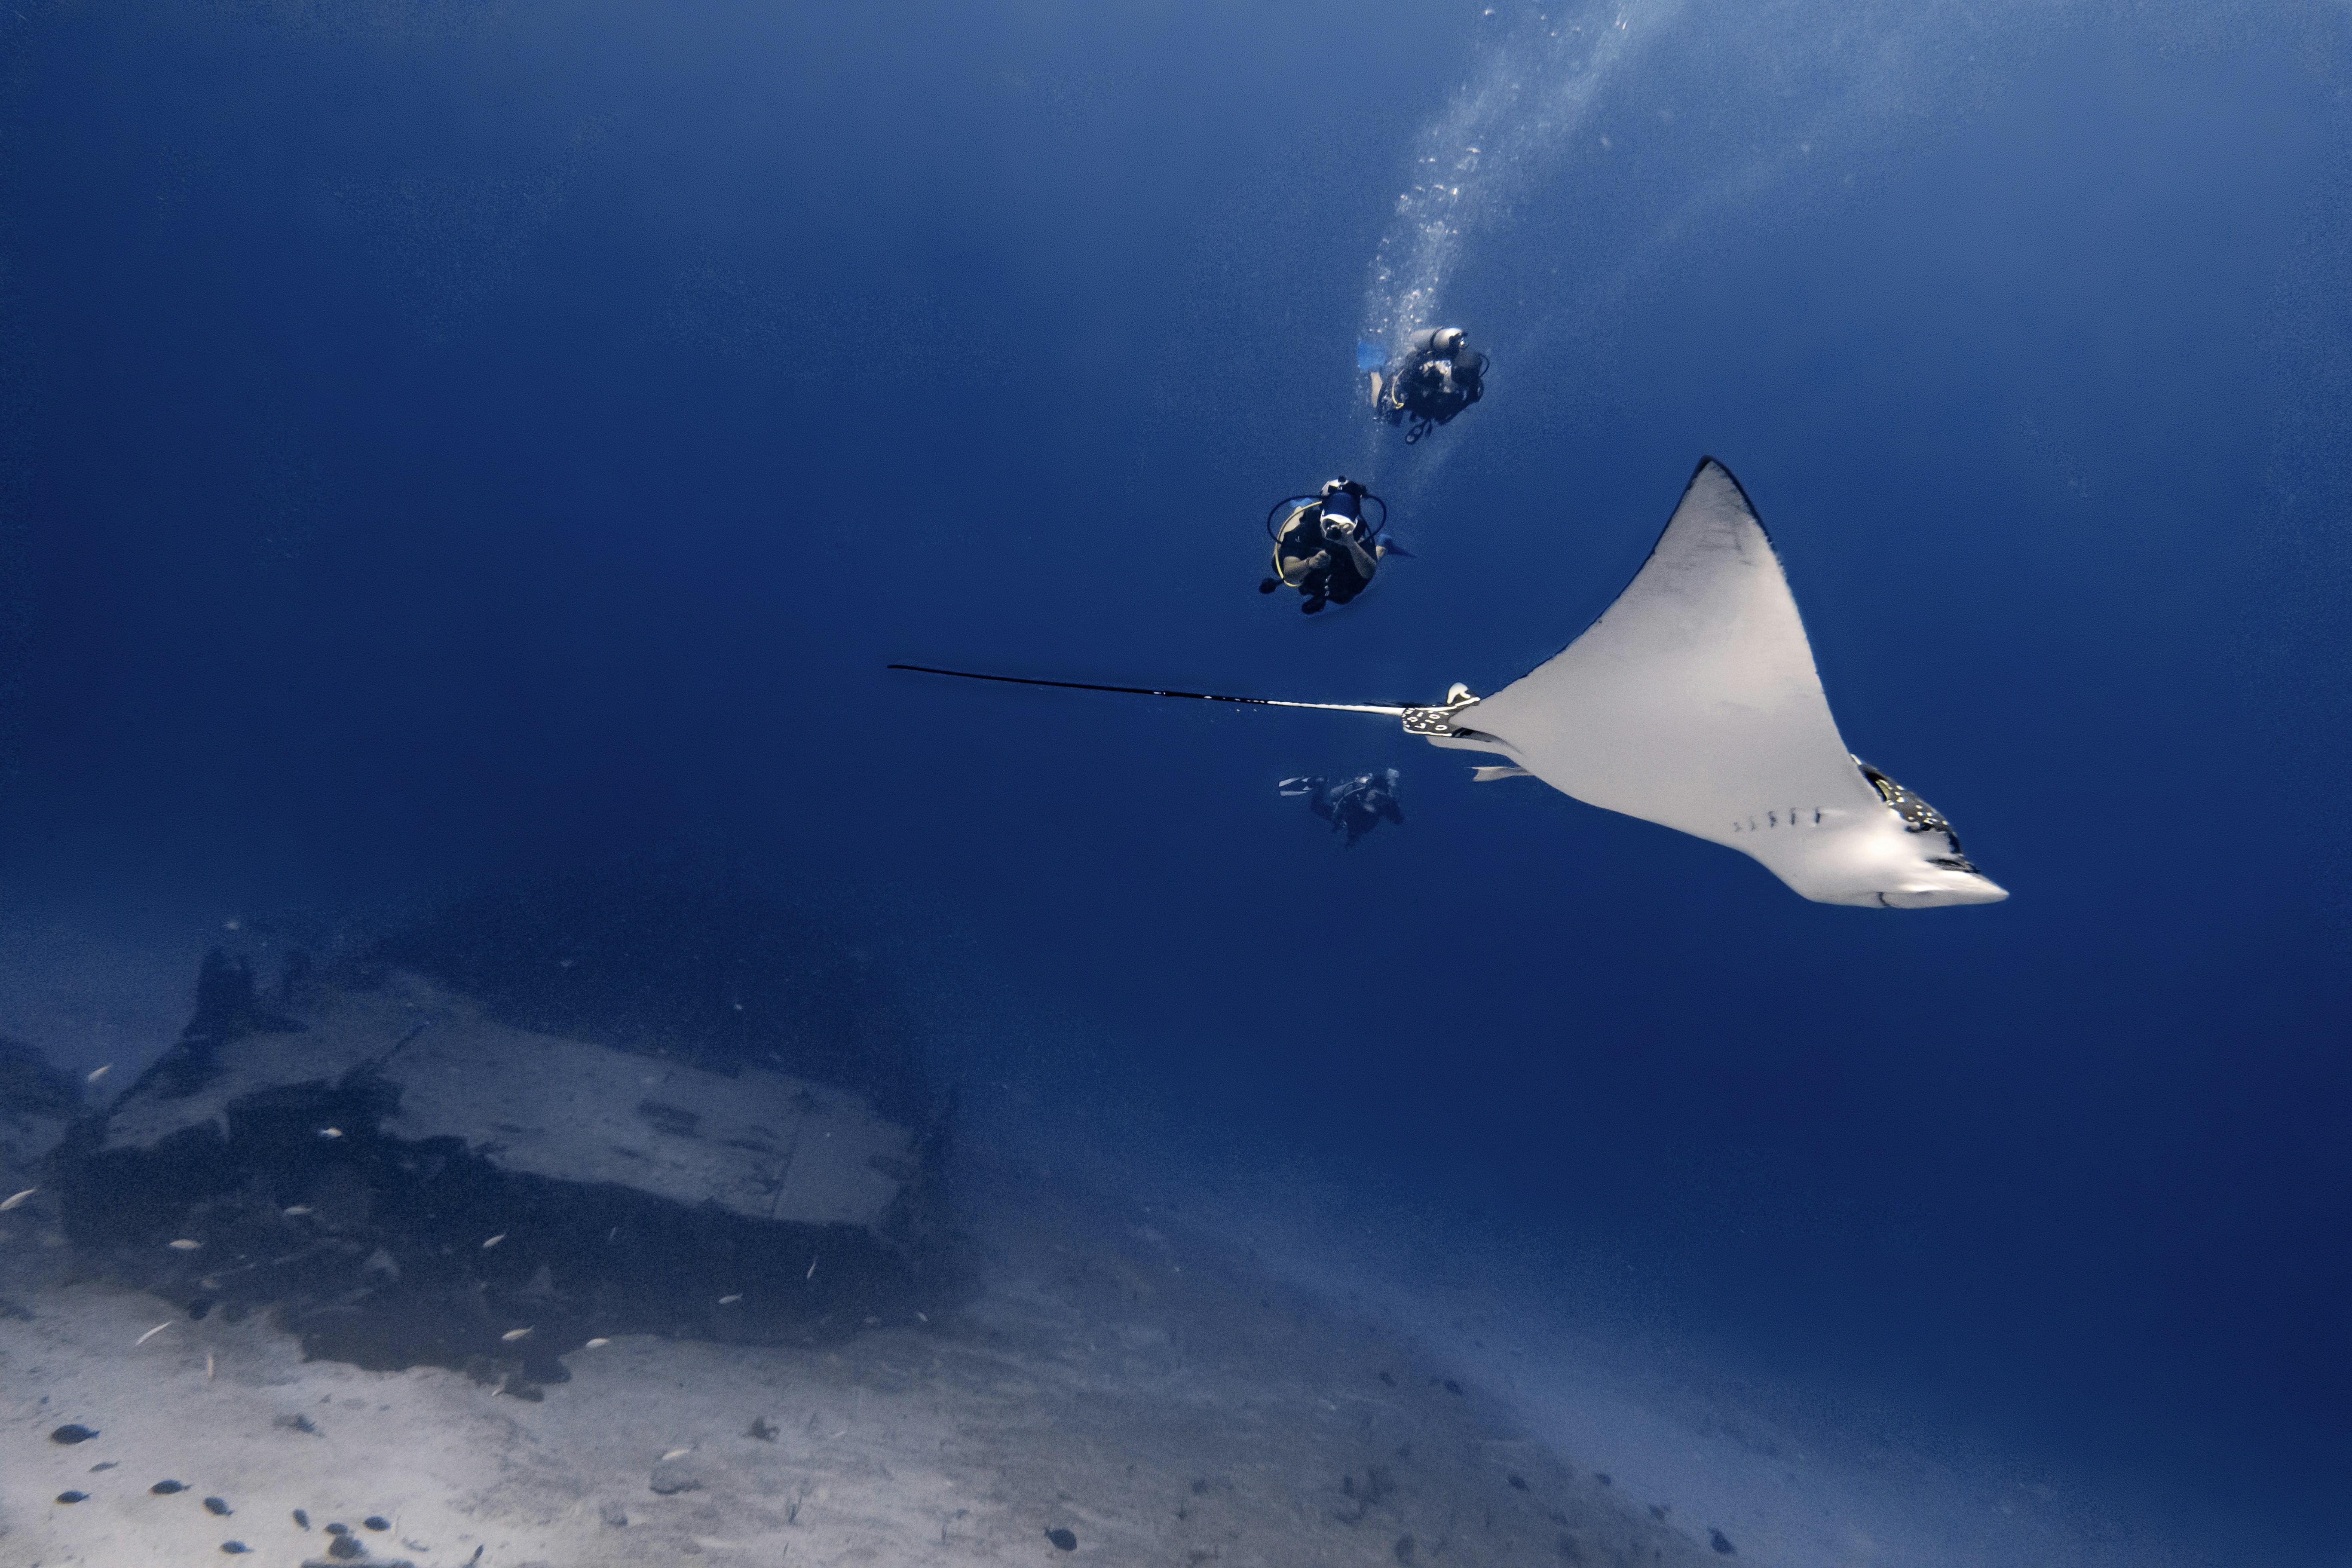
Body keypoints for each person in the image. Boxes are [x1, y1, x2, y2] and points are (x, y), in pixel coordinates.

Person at [1258, 478, 1394, 614]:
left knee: (1351, 591)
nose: (1333, 529)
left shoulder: (1356, 537)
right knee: (1278, 562)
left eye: (1341, 525)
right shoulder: (1308, 528)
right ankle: (1300, 510)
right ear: (1322, 516)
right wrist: (1310, 563)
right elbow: (1289, 574)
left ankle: (1383, 546)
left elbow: (1369, 573)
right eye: (1328, 523)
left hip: (1339, 579)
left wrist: (1352, 545)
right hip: (1307, 569)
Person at [1370, 326, 1487, 441]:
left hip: (1421, 400)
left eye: (1466, 380)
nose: (1461, 385)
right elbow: (1409, 371)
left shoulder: (1467, 391)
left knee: (1388, 412)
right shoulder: (1434, 373)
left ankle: (1376, 369)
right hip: (1412, 386)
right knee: (1382, 409)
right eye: (1460, 378)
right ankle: (1374, 372)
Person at [1277, 768, 1404, 847]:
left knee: (1355, 831)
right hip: (1345, 815)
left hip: (1357, 823)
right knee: (1315, 807)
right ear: (1370, 789)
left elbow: (1398, 820)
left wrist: (1392, 806)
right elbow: (1340, 804)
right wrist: (1337, 820)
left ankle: (1350, 840)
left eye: (1381, 797)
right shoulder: (1356, 794)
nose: (1376, 799)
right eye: (1376, 794)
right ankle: (1319, 784)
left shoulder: (1386, 804)